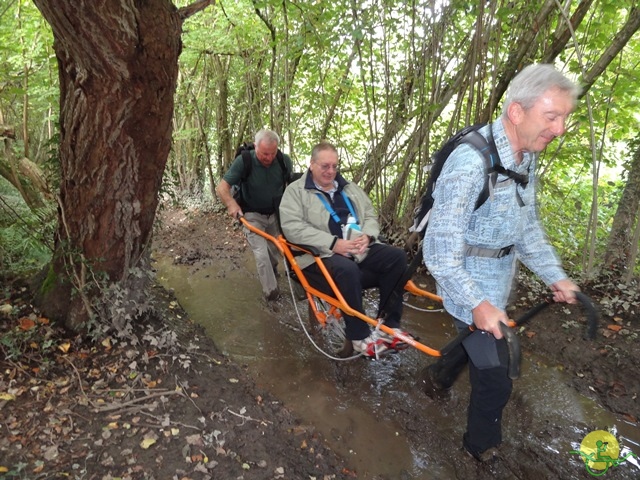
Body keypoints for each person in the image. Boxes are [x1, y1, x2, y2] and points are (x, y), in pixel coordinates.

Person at [422, 64, 582, 462]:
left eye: (564, 117)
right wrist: (478, 303)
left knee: (474, 342)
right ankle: (480, 446)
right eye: (552, 117)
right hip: (467, 285)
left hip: (496, 284)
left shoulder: (524, 157)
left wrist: (555, 276)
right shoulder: (469, 164)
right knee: (497, 376)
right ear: (516, 112)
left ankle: (437, 376)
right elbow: (439, 252)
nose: (560, 128)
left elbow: (526, 228)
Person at [279, 141, 410, 357]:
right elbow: (293, 228)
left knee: (397, 257)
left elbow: (369, 215)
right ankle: (359, 336)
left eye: (334, 166)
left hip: (357, 248)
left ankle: (388, 325)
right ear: (311, 164)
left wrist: (368, 235)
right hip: (322, 254)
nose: (331, 171)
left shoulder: (350, 188)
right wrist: (333, 243)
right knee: (347, 270)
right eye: (325, 166)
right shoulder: (295, 192)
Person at [216, 129, 293, 301]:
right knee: (261, 254)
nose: (269, 158)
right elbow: (222, 187)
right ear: (255, 146)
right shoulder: (244, 161)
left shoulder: (283, 161)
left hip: (275, 214)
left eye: (273, 153)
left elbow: (293, 187)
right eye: (264, 153)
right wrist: (231, 204)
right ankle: (272, 295)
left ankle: (272, 273)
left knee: (275, 251)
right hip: (251, 215)